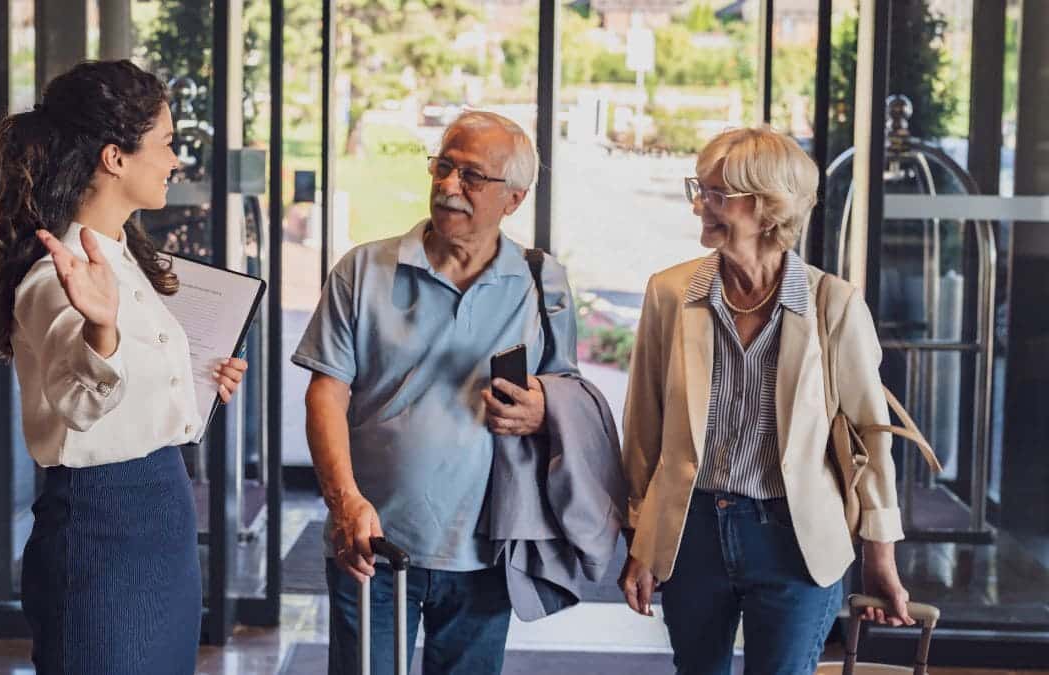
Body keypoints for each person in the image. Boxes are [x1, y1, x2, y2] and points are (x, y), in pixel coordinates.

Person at [0, 59, 249, 675]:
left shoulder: (127, 259)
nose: (175, 161)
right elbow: (78, 399)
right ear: (114, 158)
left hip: (161, 515)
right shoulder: (56, 277)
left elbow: (134, 388)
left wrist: (201, 378)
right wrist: (100, 327)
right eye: (167, 144)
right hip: (102, 528)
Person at [618, 126, 915, 674]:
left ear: (768, 205)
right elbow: (644, 428)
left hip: (795, 541)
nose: (699, 207)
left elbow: (872, 438)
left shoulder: (835, 305)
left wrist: (882, 558)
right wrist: (642, 538)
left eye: (716, 195)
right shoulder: (670, 293)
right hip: (694, 532)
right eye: (699, 188)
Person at [293, 110, 579, 674]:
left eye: (471, 176)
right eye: (442, 166)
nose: (449, 186)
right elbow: (325, 393)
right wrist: (345, 502)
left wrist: (543, 405)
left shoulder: (543, 281)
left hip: (486, 550)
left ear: (514, 199)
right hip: (370, 546)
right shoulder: (363, 270)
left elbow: (563, 389)